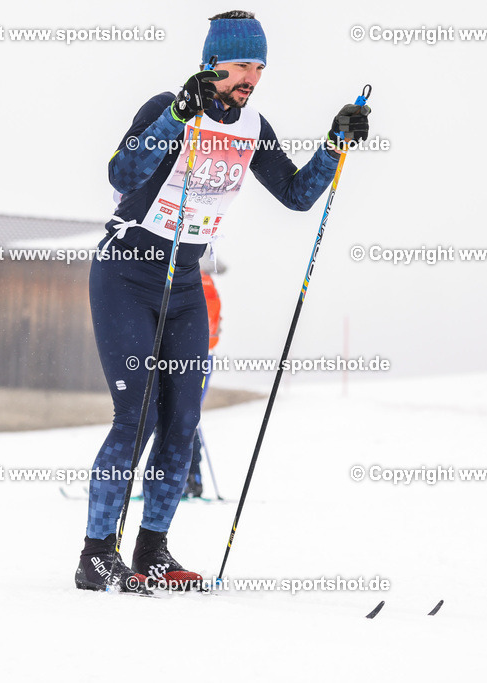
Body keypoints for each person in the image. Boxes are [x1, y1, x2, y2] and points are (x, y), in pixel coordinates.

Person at [75, 10, 372, 593]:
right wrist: (177, 117)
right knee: (136, 418)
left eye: (259, 68)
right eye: (241, 66)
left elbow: (295, 195)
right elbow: (123, 173)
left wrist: (334, 146)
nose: (251, 78)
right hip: (127, 275)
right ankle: (97, 555)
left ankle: (152, 551)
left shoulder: (253, 126)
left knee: (182, 422)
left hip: (185, 284)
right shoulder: (167, 106)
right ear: (213, 63)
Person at [184, 268, 221, 499]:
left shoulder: (191, 282)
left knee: (180, 418)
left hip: (188, 357)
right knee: (188, 418)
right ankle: (192, 479)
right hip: (205, 356)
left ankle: (189, 479)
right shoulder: (208, 285)